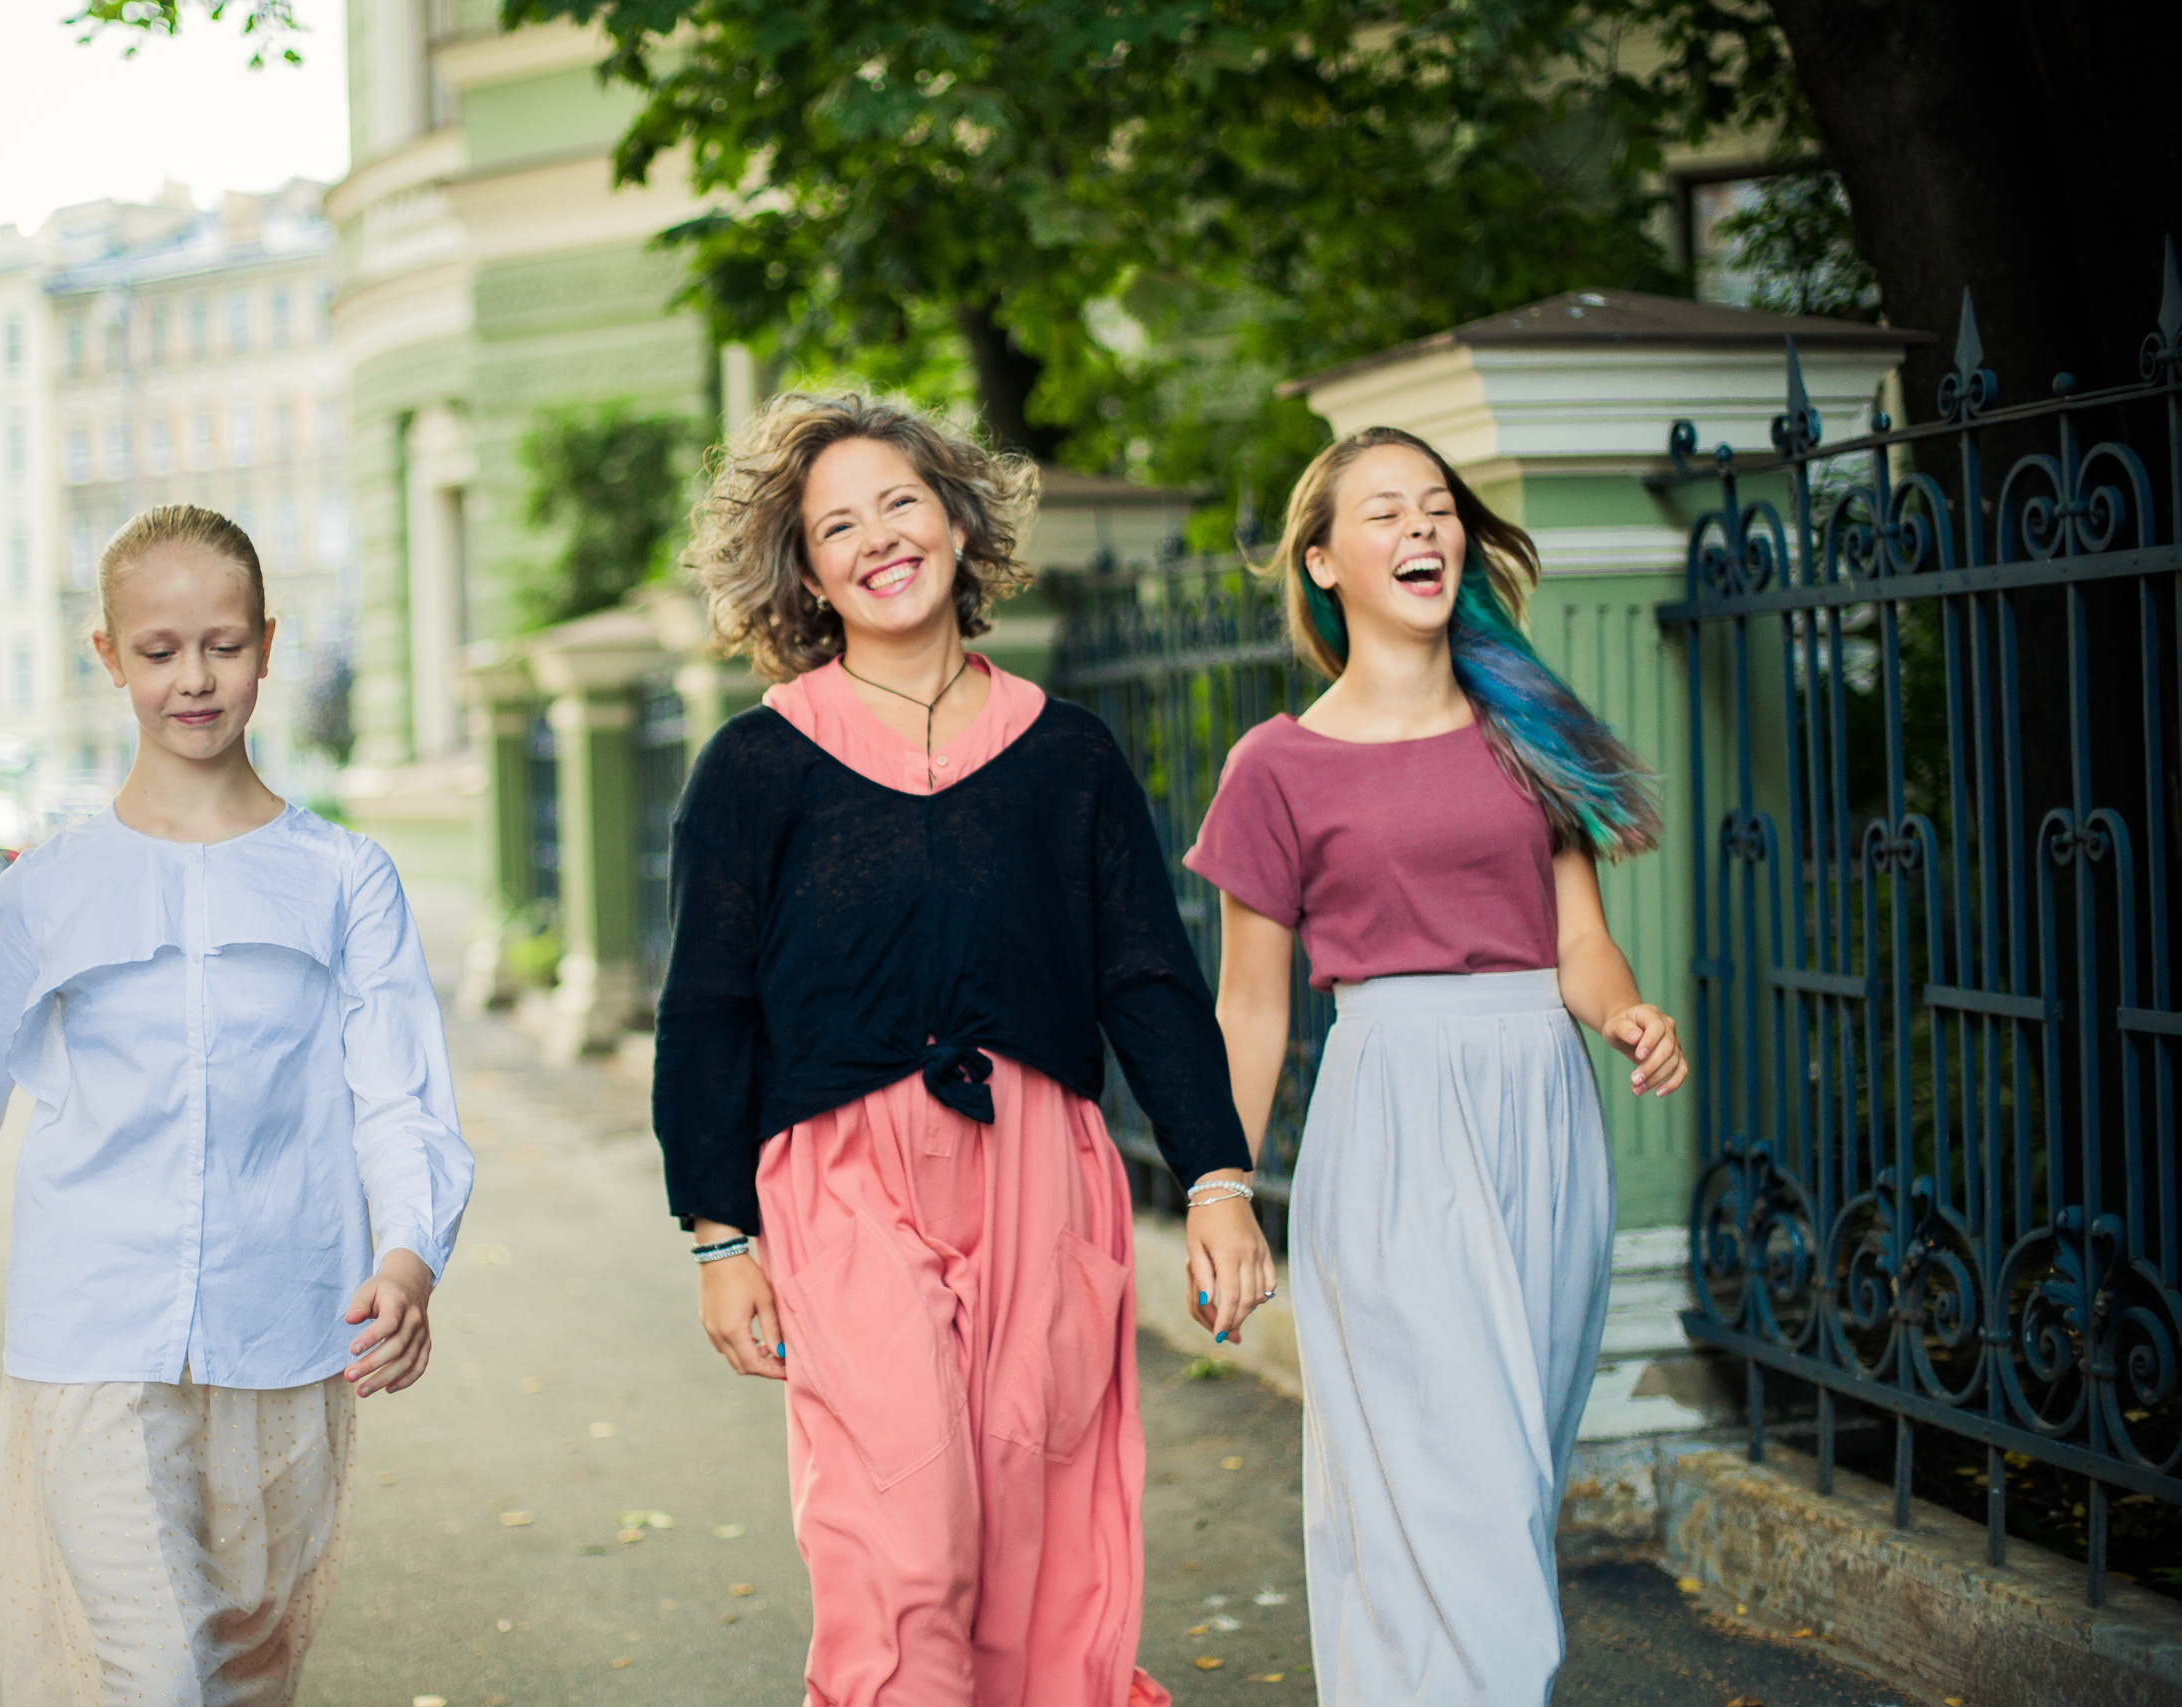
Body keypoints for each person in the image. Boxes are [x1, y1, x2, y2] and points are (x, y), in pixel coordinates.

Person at [0, 505, 473, 1707]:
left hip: (285, 1339)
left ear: (266, 644)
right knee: (156, 1677)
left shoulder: (346, 879)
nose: (194, 678)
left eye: (224, 644)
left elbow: (398, 1097)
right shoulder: (52, 891)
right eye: (159, 650)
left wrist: (409, 1257)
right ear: (108, 657)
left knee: (245, 1669)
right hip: (91, 1345)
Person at [656, 392, 1270, 1706]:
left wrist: (1218, 1181)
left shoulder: (1069, 756)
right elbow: (707, 1005)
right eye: (838, 523)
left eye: (901, 501)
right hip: (838, 1178)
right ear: (805, 569)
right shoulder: (757, 763)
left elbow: (1149, 978)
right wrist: (718, 1233)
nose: (879, 536)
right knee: (905, 1536)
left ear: (954, 518)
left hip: (1040, 1169)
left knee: (1041, 1557)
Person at [1186, 427, 1687, 1706]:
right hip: (1394, 1114)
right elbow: (1250, 1015)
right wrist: (1219, 1188)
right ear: (1323, 563)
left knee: (1508, 1473)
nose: (1423, 529)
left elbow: (1580, 942)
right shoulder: (1274, 767)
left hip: (1541, 1104)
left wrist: (1626, 1014)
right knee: (1445, 1476)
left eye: (1438, 509)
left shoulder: (1526, 727)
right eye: (1385, 513)